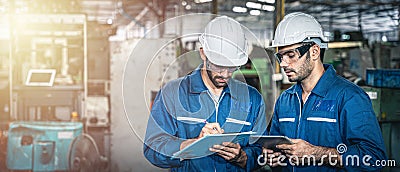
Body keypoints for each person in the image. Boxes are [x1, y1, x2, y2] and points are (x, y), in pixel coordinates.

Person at [266, 12, 387, 171]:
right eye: (280, 56)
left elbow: (374, 158)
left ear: (314, 52)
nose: (283, 64)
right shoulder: (285, 100)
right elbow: (275, 146)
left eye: (290, 55)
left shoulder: (349, 97)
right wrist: (273, 156)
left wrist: (317, 153)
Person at [143, 16, 267, 171]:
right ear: (203, 54)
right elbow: (152, 148)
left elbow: (261, 150)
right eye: (219, 66)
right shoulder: (172, 93)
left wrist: (242, 157)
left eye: (232, 67)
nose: (225, 74)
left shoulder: (252, 99)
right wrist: (191, 145)